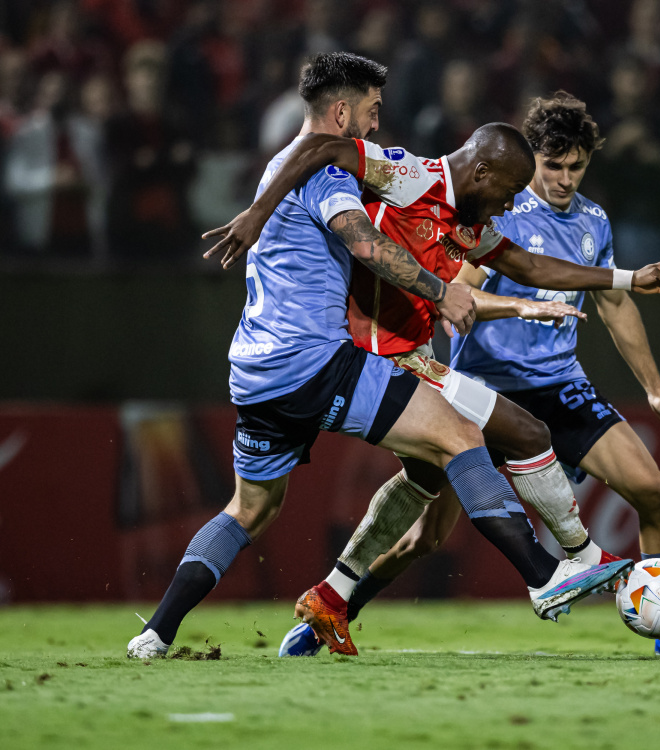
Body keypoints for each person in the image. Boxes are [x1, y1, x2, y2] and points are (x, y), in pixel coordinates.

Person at [127, 52, 632, 660]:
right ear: (341, 111)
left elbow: (520, 262)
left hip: (255, 370)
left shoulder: (280, 170)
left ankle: (158, 631)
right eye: (370, 110)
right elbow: (363, 243)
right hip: (320, 359)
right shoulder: (336, 177)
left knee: (252, 507)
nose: (374, 123)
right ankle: (547, 574)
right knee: (461, 438)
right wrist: (443, 290)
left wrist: (622, 279)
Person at [258, 91, 660, 658]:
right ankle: (336, 608)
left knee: (656, 492)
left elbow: (595, 296)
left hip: (559, 386)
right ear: (525, 162)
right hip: (483, 381)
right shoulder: (475, 203)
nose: (564, 179)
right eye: (552, 165)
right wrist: (519, 306)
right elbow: (457, 294)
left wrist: (652, 378)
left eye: (577, 166)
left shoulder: (590, 220)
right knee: (425, 536)